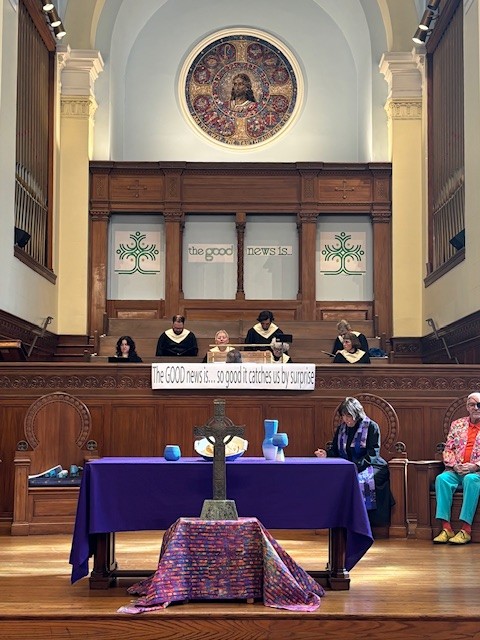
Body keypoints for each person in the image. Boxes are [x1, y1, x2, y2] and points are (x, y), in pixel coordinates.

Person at [314, 396, 392, 527]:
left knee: (359, 481)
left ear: (357, 413)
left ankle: (362, 523)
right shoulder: (342, 429)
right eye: (343, 416)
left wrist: (355, 466)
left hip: (371, 465)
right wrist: (326, 454)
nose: (346, 419)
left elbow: (373, 453)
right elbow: (336, 451)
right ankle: (340, 521)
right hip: (349, 467)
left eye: (349, 415)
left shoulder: (371, 427)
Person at [433, 392, 480, 545]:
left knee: (471, 479)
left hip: (476, 472)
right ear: (467, 407)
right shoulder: (457, 424)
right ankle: (446, 528)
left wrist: (475, 466)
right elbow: (448, 448)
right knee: (442, 479)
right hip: (457, 469)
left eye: (479, 405)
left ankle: (466, 530)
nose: (476, 408)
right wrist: (454, 465)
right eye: (472, 405)